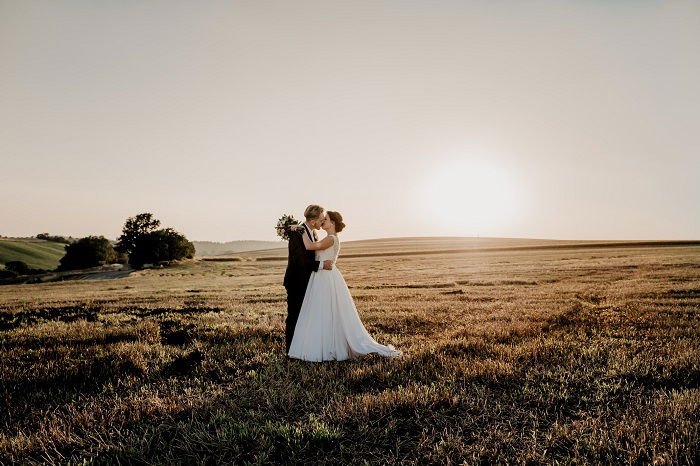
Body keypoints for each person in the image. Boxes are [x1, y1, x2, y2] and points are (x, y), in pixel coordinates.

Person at [288, 210, 402, 362]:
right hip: (320, 277)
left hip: (326, 278)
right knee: (322, 311)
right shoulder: (327, 237)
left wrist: (301, 230)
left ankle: (329, 346)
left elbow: (309, 247)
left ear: (332, 223)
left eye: (325, 219)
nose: (322, 222)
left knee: (327, 310)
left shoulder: (331, 239)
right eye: (322, 219)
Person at [283, 205, 334, 353]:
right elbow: (299, 261)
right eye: (321, 219)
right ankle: (291, 351)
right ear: (313, 222)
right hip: (296, 282)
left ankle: (303, 348)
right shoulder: (297, 233)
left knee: (306, 317)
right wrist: (321, 264)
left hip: (309, 282)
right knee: (294, 316)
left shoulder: (313, 234)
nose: (322, 222)